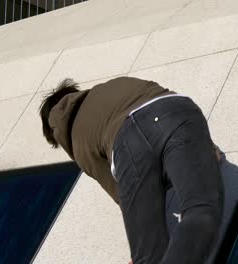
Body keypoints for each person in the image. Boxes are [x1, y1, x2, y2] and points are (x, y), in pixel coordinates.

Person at [39, 77, 224, 264]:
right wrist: (202, 151)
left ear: (56, 132)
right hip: (180, 110)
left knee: (149, 256)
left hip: (129, 139)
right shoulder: (112, 86)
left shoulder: (78, 141)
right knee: (201, 211)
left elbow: (124, 193)